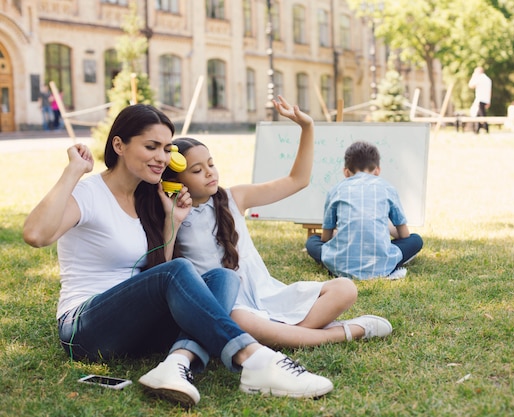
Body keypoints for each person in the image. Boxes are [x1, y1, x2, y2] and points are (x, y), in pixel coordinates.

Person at [22, 104, 333, 407]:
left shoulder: (147, 198)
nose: (161, 158)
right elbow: (36, 235)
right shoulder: (90, 194)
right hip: (86, 327)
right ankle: (254, 359)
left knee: (223, 277)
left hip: (135, 327)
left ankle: (176, 364)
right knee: (179, 271)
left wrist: (173, 222)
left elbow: (159, 271)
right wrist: (72, 172)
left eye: (166, 148)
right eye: (151, 146)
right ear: (118, 144)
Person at [164, 96, 393, 348]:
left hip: (267, 294)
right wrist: (173, 219)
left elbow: (297, 180)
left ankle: (289, 335)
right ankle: (346, 331)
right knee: (239, 321)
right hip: (230, 305)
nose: (209, 173)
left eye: (211, 164)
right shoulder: (170, 214)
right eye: (196, 171)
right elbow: (166, 270)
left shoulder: (234, 197)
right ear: (174, 181)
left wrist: (307, 127)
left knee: (345, 289)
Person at [305, 141, 423, 280]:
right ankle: (385, 261)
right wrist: (386, 227)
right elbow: (404, 235)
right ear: (377, 170)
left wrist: (339, 233)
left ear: (346, 172)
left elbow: (325, 238)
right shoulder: (387, 188)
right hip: (382, 265)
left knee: (312, 241)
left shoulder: (335, 190)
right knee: (416, 240)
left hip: (339, 266)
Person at [468, 66, 492, 134]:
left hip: (479, 99)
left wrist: (473, 76)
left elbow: (470, 85)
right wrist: (489, 101)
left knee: (481, 115)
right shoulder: (488, 79)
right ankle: (477, 130)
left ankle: (485, 129)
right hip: (485, 100)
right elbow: (490, 91)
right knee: (479, 115)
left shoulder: (479, 78)